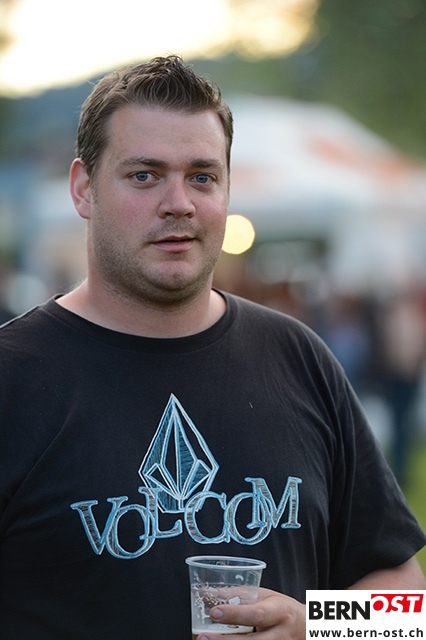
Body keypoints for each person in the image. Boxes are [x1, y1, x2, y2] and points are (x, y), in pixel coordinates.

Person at [0, 55, 424, 640]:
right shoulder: (15, 379)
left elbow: (407, 608)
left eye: (202, 177)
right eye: (144, 175)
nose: (179, 202)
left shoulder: (298, 358)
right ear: (83, 188)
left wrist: (314, 626)